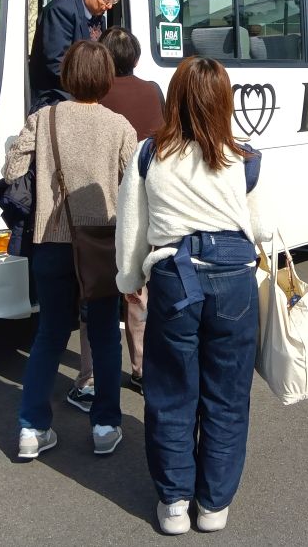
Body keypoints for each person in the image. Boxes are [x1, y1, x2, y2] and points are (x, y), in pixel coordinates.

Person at [115, 56, 273, 535]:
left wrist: (128, 282)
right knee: (226, 397)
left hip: (174, 280)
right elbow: (263, 228)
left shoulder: (149, 154)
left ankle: (175, 504)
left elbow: (131, 232)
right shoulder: (242, 157)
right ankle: (214, 505)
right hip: (234, 283)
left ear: (175, 98)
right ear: (224, 101)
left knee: (170, 395)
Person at [3, 41, 137, 460]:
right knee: (102, 336)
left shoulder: (42, 119)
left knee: (50, 334)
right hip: (101, 245)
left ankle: (32, 428)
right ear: (106, 78)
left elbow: (11, 172)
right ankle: (104, 425)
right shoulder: (119, 126)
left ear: (67, 75)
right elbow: (133, 186)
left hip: (51, 241)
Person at [98, 26, 164, 395]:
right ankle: (141, 367)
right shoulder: (153, 91)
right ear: (137, 58)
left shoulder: (95, 97)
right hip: (149, 201)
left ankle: (97, 370)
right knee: (141, 290)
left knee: (108, 290)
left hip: (107, 202)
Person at [29, 0, 121, 112]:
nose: (109, 6)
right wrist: (89, 88)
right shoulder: (61, 11)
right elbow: (56, 63)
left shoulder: (97, 13)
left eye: (114, 0)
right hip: (58, 96)